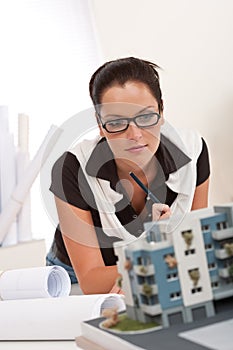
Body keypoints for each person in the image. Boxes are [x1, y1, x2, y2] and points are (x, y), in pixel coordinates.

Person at [46, 57, 210, 294]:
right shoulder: (71, 167)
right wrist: (168, 259)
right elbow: (91, 281)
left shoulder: (193, 151)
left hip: (157, 268)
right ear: (100, 124)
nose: (134, 134)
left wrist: (154, 263)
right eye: (116, 122)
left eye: (145, 117)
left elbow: (197, 245)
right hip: (71, 277)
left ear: (161, 111)